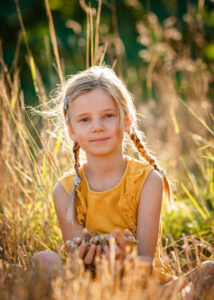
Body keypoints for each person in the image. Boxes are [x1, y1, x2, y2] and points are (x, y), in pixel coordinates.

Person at [32, 66, 214, 299]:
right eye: (84, 119)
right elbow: (76, 263)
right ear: (71, 132)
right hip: (91, 291)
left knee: (209, 270)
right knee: (43, 259)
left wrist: (124, 262)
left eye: (108, 115)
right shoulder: (65, 191)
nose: (97, 126)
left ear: (126, 121)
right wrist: (89, 262)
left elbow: (145, 264)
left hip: (147, 289)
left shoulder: (148, 180)